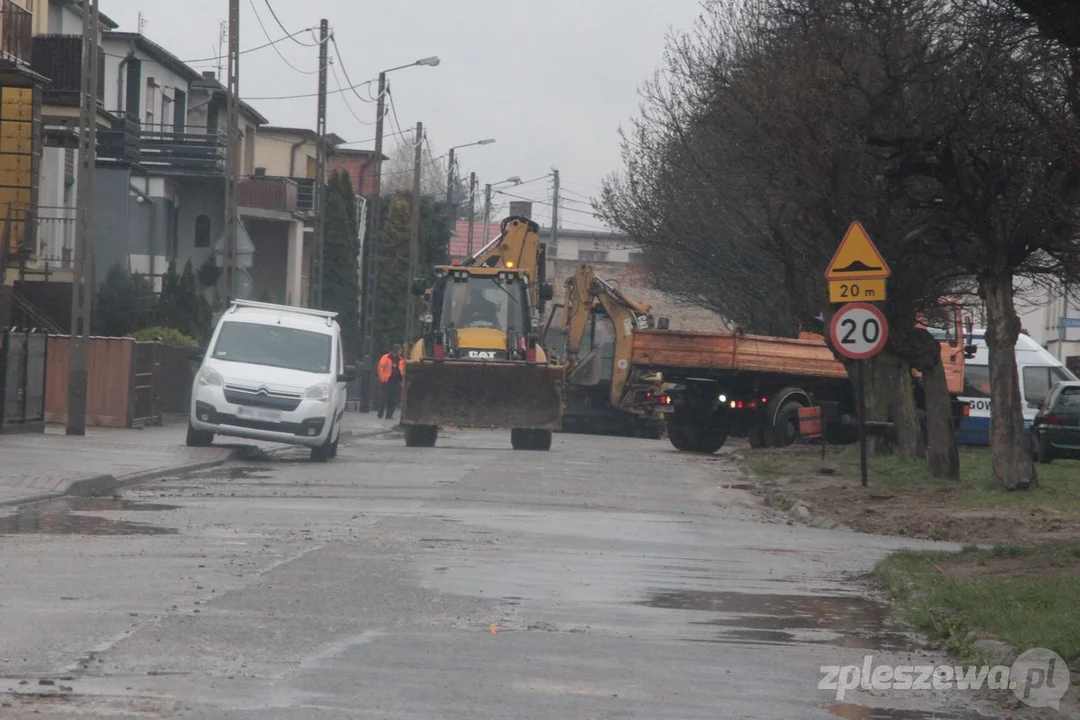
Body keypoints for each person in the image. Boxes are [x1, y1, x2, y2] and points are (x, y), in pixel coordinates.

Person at [377, 345, 405, 420]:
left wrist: (401, 381)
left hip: (396, 382)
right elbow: (380, 369)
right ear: (395, 351)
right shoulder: (385, 357)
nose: (401, 351)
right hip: (387, 381)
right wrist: (383, 378)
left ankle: (389, 415)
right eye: (400, 350)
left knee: (393, 400)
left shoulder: (401, 360)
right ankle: (380, 414)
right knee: (383, 398)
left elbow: (402, 371)